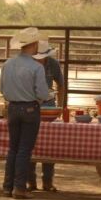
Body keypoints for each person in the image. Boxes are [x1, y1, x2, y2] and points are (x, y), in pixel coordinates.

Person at [0, 27, 49, 200]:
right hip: (30, 108)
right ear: (34, 45)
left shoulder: (7, 64)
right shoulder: (36, 67)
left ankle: (7, 186)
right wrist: (42, 98)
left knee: (13, 147)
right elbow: (43, 93)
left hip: (12, 107)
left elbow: (2, 89)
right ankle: (19, 187)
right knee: (24, 149)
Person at [28, 41, 64, 192]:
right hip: (31, 103)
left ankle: (47, 180)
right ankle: (31, 180)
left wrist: (60, 106)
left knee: (49, 142)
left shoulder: (53, 64)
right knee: (29, 142)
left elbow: (61, 84)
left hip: (48, 105)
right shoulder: (28, 64)